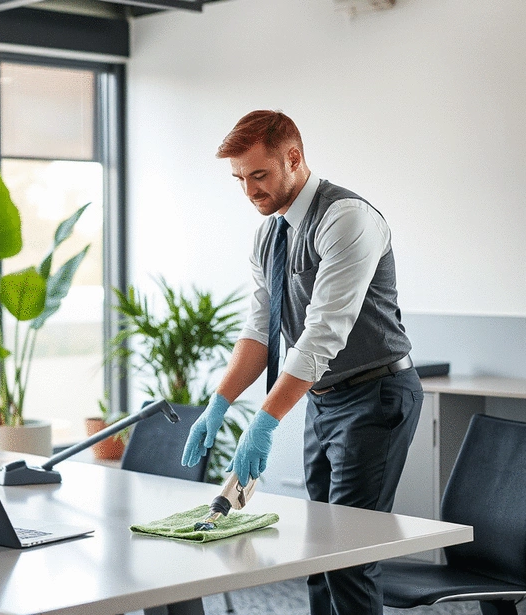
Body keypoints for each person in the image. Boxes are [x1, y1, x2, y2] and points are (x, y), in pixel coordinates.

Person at [181, 110, 423, 615]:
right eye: (239, 179)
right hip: (324, 399)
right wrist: (219, 403)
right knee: (317, 551)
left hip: (375, 395)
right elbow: (260, 330)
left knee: (349, 555)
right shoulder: (268, 235)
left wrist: (265, 421)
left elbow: (321, 334)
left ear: (294, 158)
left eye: (259, 175)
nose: (249, 191)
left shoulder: (347, 218)